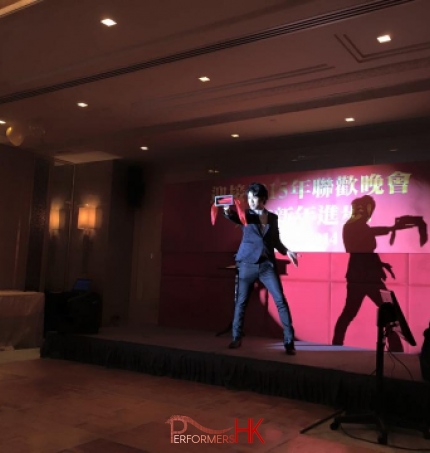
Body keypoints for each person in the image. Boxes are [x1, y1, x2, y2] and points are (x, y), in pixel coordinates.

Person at [222, 182, 298, 355]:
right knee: (241, 302)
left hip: (266, 265)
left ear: (263, 199)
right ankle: (236, 337)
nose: (250, 201)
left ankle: (288, 342)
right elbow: (233, 216)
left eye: (253, 198)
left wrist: (287, 251)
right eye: (248, 198)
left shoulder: (273, 217)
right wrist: (227, 211)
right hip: (247, 264)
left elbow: (275, 241)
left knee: (280, 301)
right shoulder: (245, 215)